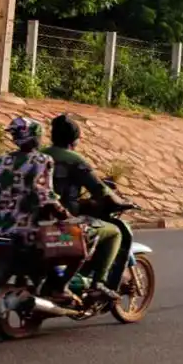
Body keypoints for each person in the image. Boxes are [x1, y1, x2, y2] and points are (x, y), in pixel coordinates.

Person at [45, 113, 125, 301]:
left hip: (37, 220)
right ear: (75, 139)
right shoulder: (74, 159)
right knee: (114, 232)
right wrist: (119, 202)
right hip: (63, 224)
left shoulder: (40, 155)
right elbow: (100, 189)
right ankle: (98, 284)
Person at [0, 118, 69, 243]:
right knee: (67, 238)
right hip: (28, 232)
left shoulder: (1, 160)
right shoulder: (43, 160)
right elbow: (46, 196)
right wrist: (65, 215)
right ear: (34, 137)